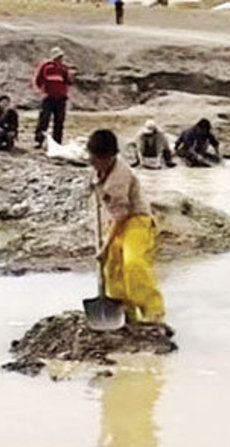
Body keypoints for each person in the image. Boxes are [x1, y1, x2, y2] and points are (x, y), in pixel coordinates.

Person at [88, 129, 165, 323]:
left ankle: (153, 311)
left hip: (137, 220)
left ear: (110, 157)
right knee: (113, 267)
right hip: (116, 220)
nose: (94, 162)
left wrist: (105, 247)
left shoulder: (119, 178)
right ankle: (125, 312)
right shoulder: (98, 168)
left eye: (98, 159)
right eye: (92, 158)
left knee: (133, 263)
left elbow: (121, 215)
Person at [34, 47, 74, 148]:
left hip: (61, 98)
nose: (60, 59)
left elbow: (68, 81)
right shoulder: (46, 66)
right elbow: (38, 79)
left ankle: (57, 142)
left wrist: (70, 75)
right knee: (44, 119)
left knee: (59, 121)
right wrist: (42, 91)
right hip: (49, 97)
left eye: (61, 57)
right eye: (58, 57)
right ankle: (39, 140)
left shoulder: (63, 68)